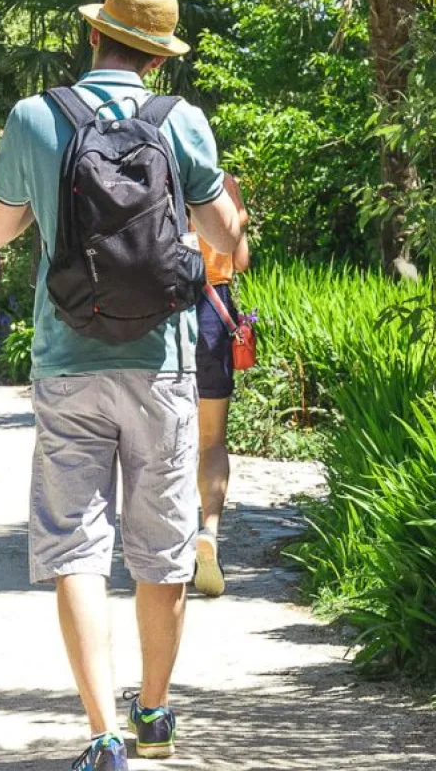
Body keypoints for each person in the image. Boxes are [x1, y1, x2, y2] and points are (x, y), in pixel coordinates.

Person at [0, 0, 242, 770]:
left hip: (67, 362)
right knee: (161, 550)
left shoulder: (37, 115)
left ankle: (101, 736)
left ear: (93, 35)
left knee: (75, 546)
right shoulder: (181, 121)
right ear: (158, 59)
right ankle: (154, 715)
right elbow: (225, 236)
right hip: (161, 363)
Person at [193, 175, 250, 598]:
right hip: (214, 312)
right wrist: (240, 215)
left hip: (160, 314)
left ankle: (164, 543)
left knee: (161, 438)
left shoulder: (149, 171)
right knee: (212, 441)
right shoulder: (223, 184)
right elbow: (240, 259)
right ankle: (208, 529)